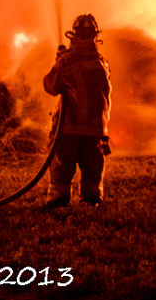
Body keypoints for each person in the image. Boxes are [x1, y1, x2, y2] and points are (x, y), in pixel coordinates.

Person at [43, 13, 112, 208]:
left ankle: (58, 198)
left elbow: (51, 86)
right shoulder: (103, 63)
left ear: (74, 35)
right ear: (94, 36)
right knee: (93, 166)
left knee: (62, 164)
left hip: (69, 127)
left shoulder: (67, 62)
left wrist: (59, 61)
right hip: (97, 128)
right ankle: (92, 198)